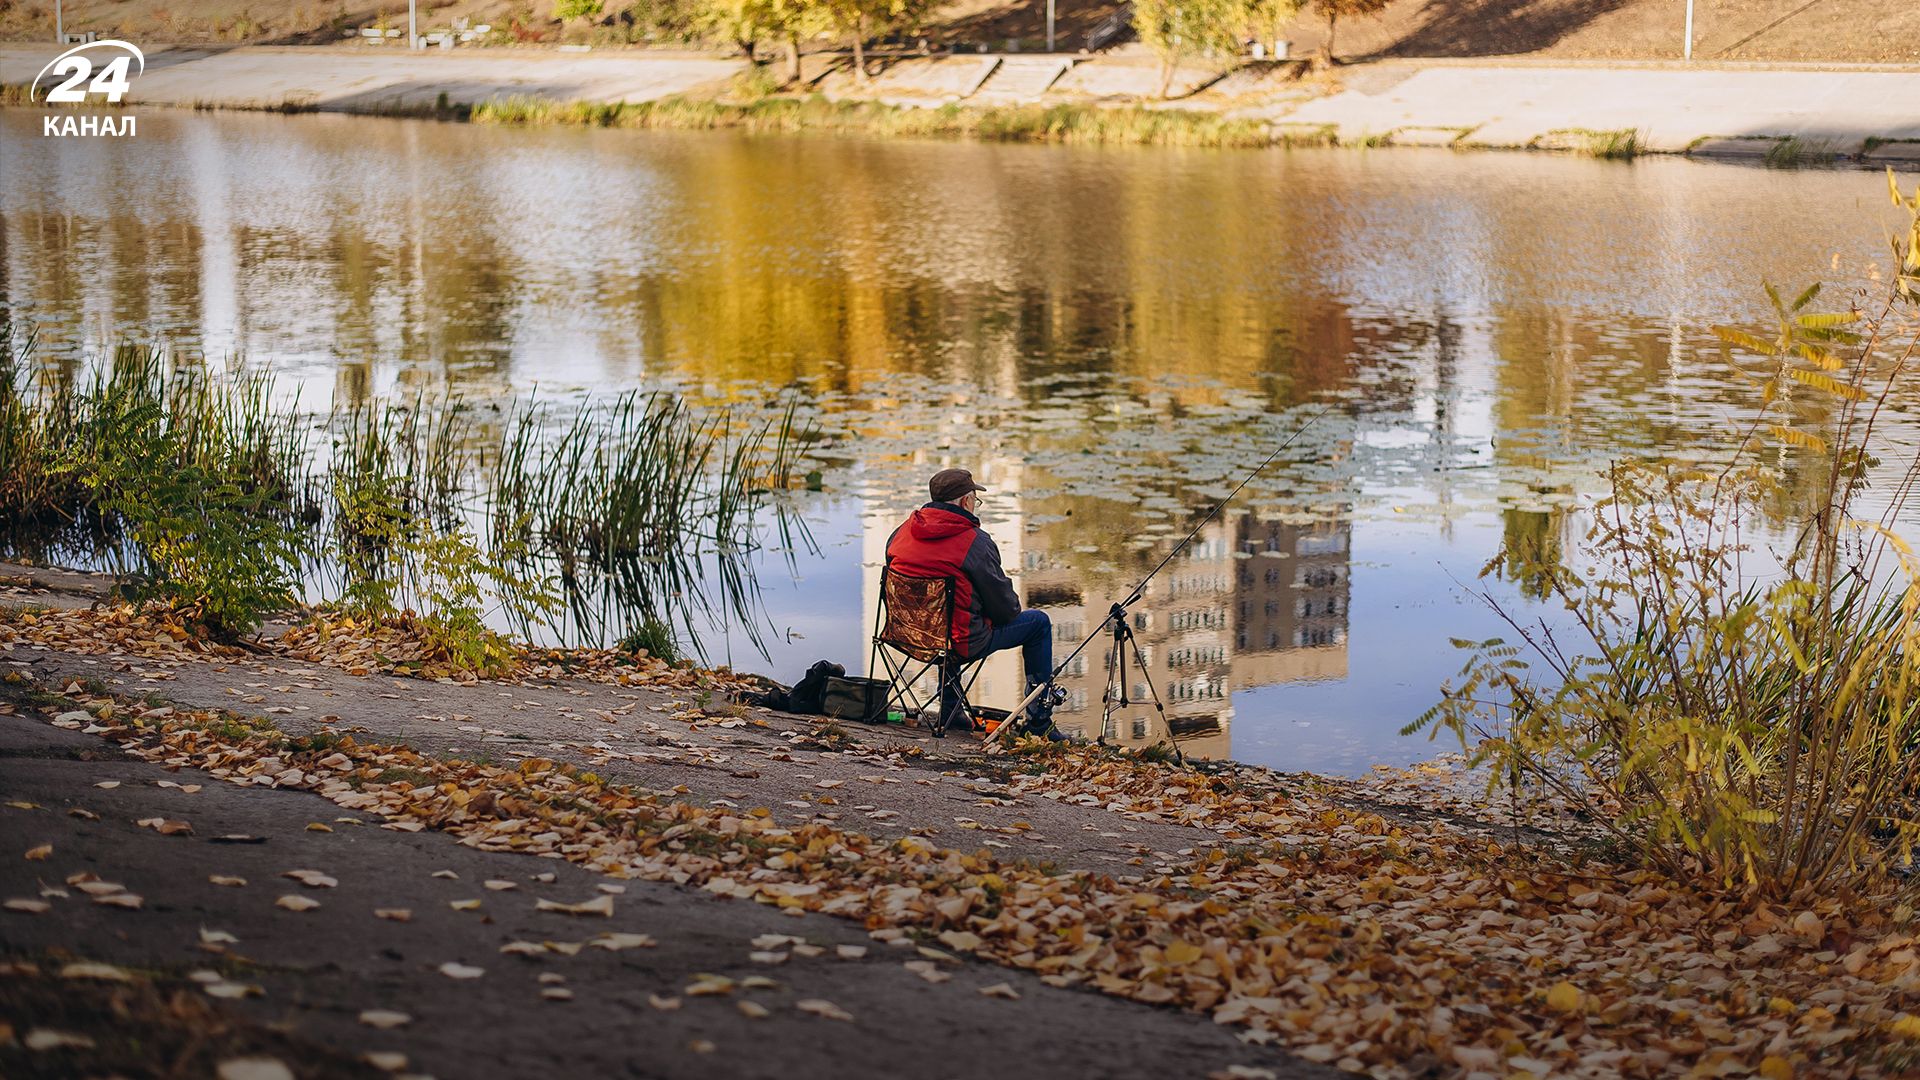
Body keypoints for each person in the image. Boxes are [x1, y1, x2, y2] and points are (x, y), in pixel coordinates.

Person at [884, 468, 1066, 740]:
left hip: (906, 636)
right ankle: (1039, 723)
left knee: (946, 617)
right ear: (965, 501)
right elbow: (1006, 610)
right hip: (959, 643)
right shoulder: (975, 542)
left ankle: (950, 710)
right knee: (1038, 623)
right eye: (974, 500)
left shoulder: (901, 532)